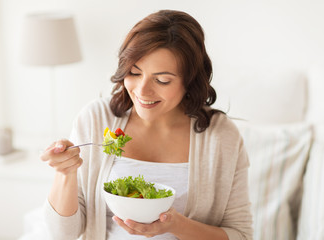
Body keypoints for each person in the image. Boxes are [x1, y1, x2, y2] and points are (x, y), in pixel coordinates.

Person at [41, 9, 253, 240]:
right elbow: (61, 234)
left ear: (190, 80)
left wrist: (175, 225)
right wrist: (65, 173)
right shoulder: (96, 118)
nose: (142, 91)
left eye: (162, 80)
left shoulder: (220, 136)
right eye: (134, 72)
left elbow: (241, 235)